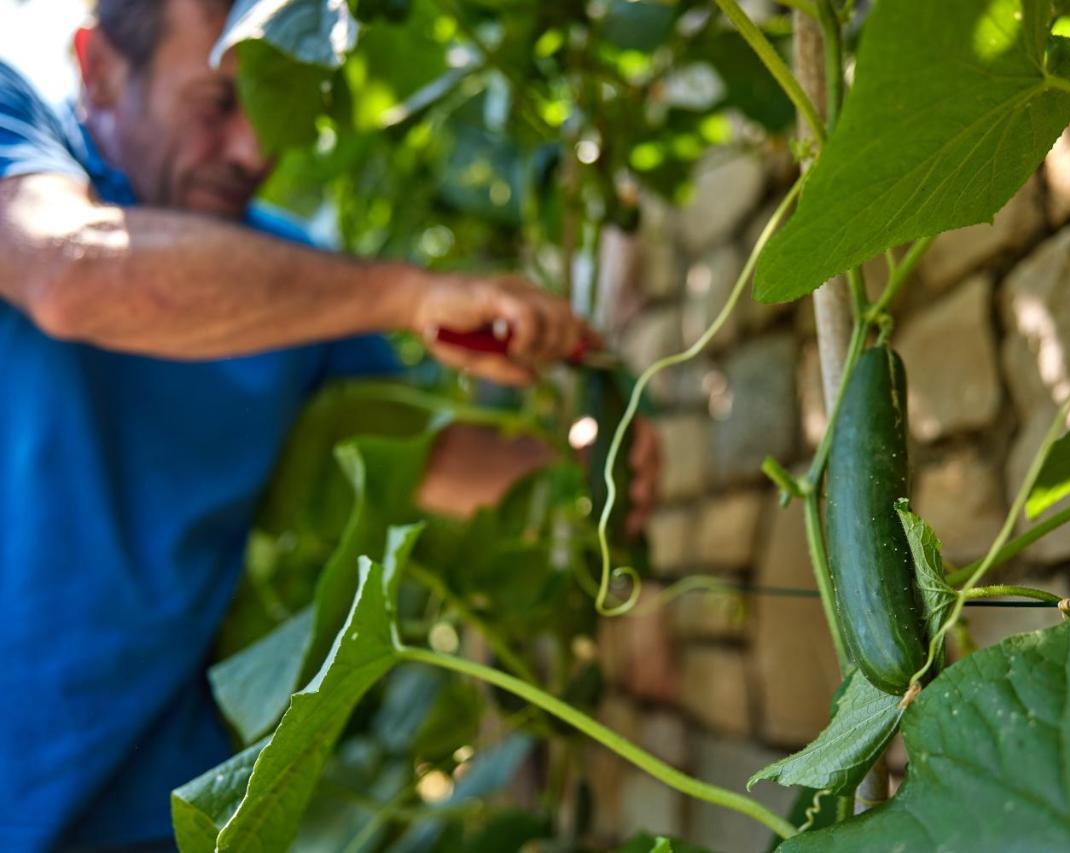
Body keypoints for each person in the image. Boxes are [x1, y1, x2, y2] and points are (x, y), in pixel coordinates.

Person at [0, 0, 657, 849]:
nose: (254, 151)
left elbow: (425, 460)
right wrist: (409, 293)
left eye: (271, 108)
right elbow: (65, 268)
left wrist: (584, 467)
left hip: (156, 810)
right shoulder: (18, 126)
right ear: (98, 68)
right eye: (217, 104)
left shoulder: (291, 285)